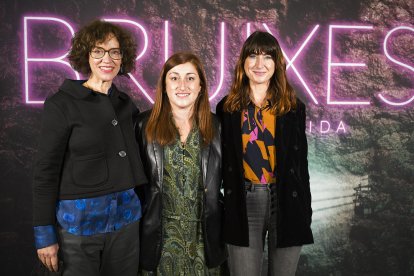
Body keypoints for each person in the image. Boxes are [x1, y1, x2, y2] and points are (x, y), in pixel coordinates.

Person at [32, 20, 147, 275]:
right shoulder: (62, 104)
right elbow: (45, 172)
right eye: (98, 50)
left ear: (122, 57)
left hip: (126, 225)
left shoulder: (126, 104)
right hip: (79, 229)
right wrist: (44, 234)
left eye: (114, 51)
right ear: (86, 54)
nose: (107, 58)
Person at [216, 31, 314, 276]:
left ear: (277, 63)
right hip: (244, 200)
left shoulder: (293, 107)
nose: (260, 64)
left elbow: (301, 165)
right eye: (253, 56)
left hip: (286, 199)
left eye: (267, 57)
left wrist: (305, 211)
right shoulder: (227, 108)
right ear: (243, 62)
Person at [135, 52, 227, 275]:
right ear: (164, 86)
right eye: (174, 78)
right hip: (159, 241)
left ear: (201, 87)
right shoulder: (142, 126)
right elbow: (136, 188)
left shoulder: (218, 128)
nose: (182, 85)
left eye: (190, 78)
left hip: (204, 240)